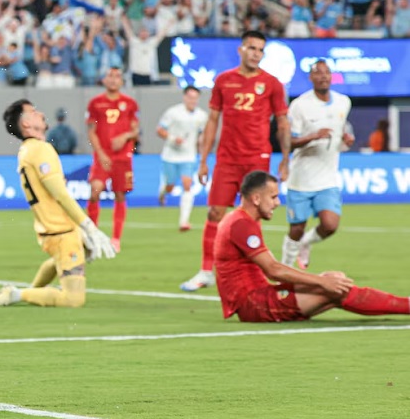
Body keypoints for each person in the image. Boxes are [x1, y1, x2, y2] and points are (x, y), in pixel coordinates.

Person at [216, 170, 410, 323]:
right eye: (273, 197)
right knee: (334, 287)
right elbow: (273, 270)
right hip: (255, 305)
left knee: (335, 280)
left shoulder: (240, 219)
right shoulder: (241, 224)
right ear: (256, 198)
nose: (277, 203)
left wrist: (323, 281)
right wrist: (320, 282)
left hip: (257, 298)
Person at [180, 30, 290, 292]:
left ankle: (258, 274)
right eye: (251, 48)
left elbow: (283, 123)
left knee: (253, 216)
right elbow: (212, 120)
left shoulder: (272, 84)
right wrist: (204, 159)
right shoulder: (223, 81)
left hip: (257, 158)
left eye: (260, 50)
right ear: (241, 49)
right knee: (215, 212)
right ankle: (206, 271)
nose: (256, 54)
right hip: (227, 159)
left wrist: (285, 160)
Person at [0, 99, 115, 307]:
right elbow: (60, 194)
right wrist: (88, 226)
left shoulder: (26, 150)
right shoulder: (41, 149)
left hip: (49, 230)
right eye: (33, 112)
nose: (40, 113)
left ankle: (30, 291)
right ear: (25, 124)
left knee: (61, 262)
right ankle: (17, 294)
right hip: (61, 233)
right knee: (73, 299)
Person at [281, 60, 354, 270]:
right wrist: (313, 136)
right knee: (296, 228)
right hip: (301, 178)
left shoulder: (343, 102)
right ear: (310, 78)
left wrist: (345, 140)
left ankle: (306, 243)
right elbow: (288, 141)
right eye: (318, 73)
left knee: (330, 225)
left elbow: (340, 132)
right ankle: (285, 271)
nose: (323, 76)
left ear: (331, 76)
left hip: (327, 177)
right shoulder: (300, 105)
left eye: (326, 72)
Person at [85, 67, 140, 253]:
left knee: (120, 194)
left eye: (117, 76)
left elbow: (136, 131)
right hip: (103, 156)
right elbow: (91, 131)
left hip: (122, 157)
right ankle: (92, 235)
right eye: (110, 76)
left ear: (122, 81)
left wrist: (125, 137)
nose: (114, 80)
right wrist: (100, 153)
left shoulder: (130, 103)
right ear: (104, 80)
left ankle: (116, 238)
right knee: (95, 191)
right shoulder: (95, 103)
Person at [156, 86, 208, 231]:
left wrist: (202, 149)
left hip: (188, 156)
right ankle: (163, 191)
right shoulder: (173, 113)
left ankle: (184, 221)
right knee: (170, 186)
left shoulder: (201, 116)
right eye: (190, 97)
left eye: (195, 98)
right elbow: (159, 130)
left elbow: (202, 135)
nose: (193, 100)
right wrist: (173, 139)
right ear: (185, 97)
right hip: (170, 155)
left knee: (187, 184)